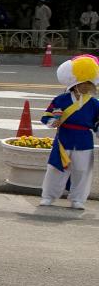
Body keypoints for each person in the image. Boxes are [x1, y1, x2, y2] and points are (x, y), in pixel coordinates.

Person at [40, 57, 98, 210]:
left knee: (82, 171)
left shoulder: (94, 103)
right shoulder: (61, 99)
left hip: (84, 140)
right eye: (85, 83)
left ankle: (77, 199)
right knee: (55, 168)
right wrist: (53, 122)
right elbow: (46, 116)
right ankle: (48, 196)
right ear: (76, 84)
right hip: (64, 138)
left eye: (89, 83)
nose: (87, 87)